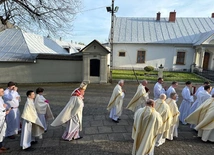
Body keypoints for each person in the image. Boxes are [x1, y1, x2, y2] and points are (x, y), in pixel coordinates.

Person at [0, 87, 10, 153]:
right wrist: (4, 113)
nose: (3, 92)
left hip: (2, 117)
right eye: (1, 91)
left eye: (3, 91)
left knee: (2, 132)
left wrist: (5, 107)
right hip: (0, 117)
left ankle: (1, 146)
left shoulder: (1, 98)